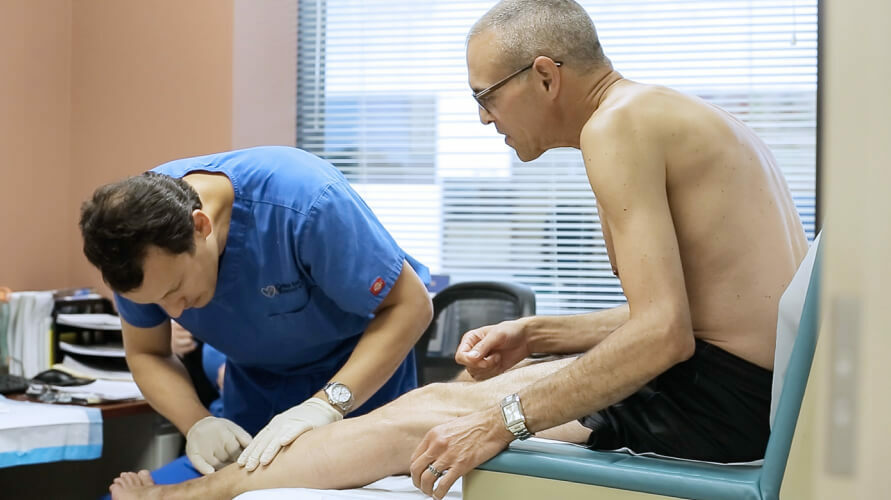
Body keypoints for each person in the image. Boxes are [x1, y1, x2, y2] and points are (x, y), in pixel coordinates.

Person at [108, 1, 808, 499]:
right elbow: (705, 314)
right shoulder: (672, 113)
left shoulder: (615, 130)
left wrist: (500, 423)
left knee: (424, 419)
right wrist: (538, 331)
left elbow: (664, 334)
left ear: (544, 75)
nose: (482, 118)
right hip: (732, 389)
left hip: (711, 407)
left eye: (487, 97)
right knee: (443, 401)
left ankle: (191, 497)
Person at [80, 145, 433, 485]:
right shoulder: (130, 244)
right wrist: (197, 423)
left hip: (361, 385)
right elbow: (147, 352)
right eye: (156, 302)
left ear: (200, 226)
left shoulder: (303, 201)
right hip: (254, 395)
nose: (173, 312)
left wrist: (327, 405)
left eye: (175, 290)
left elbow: (411, 305)